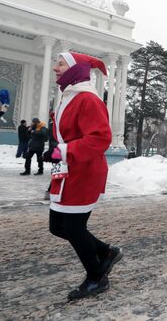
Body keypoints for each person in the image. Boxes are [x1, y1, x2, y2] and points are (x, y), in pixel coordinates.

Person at [47, 51, 122, 300]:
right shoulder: (69, 96)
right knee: (57, 226)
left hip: (84, 170)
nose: (55, 68)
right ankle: (107, 252)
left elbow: (100, 138)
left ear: (75, 69)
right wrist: (59, 150)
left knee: (73, 227)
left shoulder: (88, 99)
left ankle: (96, 277)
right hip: (67, 170)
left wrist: (65, 149)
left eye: (60, 64)